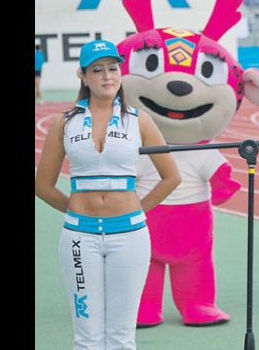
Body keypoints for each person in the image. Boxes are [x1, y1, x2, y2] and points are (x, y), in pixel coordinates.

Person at [35, 39, 181, 350]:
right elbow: (42, 185)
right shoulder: (64, 123)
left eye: (113, 69)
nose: (107, 76)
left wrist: (138, 210)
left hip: (129, 235)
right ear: (83, 76)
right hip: (78, 237)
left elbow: (171, 176)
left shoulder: (139, 120)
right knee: (86, 337)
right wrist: (75, 209)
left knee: (121, 336)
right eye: (97, 70)